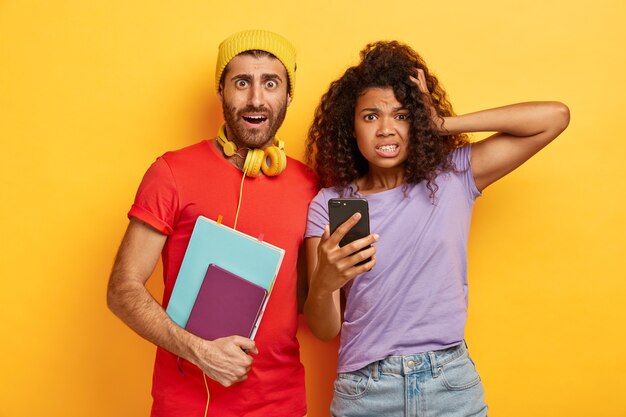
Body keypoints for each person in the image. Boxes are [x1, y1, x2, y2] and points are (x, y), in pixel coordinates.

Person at [303, 41, 569, 416]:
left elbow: (554, 117)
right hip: (366, 390)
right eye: (370, 117)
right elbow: (324, 329)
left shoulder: (453, 177)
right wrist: (325, 282)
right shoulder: (328, 204)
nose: (386, 129)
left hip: (449, 383)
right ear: (351, 126)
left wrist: (445, 125)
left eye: (401, 115)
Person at [107, 29, 317, 417]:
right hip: (185, 406)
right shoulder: (171, 172)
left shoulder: (310, 188)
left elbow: (308, 303)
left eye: (271, 83)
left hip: (281, 406)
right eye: (242, 82)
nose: (256, 98)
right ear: (220, 92)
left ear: (288, 96)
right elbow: (122, 289)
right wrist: (200, 352)